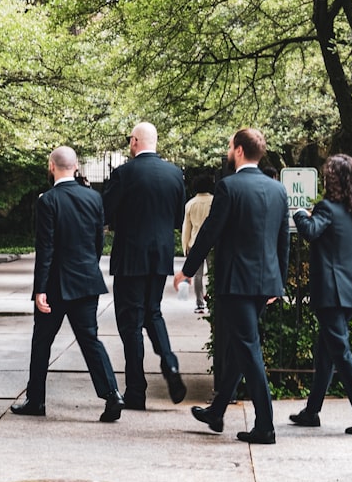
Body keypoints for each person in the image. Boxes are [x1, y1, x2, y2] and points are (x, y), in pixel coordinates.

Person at [176, 128, 289, 444]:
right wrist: (277, 283)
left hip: (237, 282)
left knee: (248, 349)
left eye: (230, 146)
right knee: (242, 348)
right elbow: (283, 241)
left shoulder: (229, 187)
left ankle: (265, 425)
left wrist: (186, 270)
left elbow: (210, 233)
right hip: (265, 281)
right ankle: (217, 411)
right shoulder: (278, 191)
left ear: (239, 150)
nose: (228, 151)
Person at [10, 146, 125, 422]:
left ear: (52, 166)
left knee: (42, 342)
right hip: (86, 281)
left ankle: (36, 400)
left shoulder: (47, 201)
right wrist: (87, 268)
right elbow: (98, 243)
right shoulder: (94, 199)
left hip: (56, 285)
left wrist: (40, 289)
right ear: (75, 167)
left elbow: (45, 248)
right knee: (90, 339)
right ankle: (112, 394)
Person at [290, 154, 352, 434]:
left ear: (334, 180)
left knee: (339, 352)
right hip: (351, 291)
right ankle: (312, 411)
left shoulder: (327, 208)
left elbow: (310, 232)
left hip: (330, 293)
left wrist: (299, 213)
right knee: (325, 353)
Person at [103, 121, 187, 409]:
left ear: (135, 141)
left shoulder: (124, 174)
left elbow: (105, 210)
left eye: (130, 139)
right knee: (153, 312)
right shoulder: (175, 174)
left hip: (130, 257)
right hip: (160, 255)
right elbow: (178, 219)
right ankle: (170, 364)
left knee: (130, 324)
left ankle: (136, 391)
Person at [180, 174, 214, 312]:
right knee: (213, 274)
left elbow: (186, 228)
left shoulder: (190, 204)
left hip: (195, 243)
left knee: (197, 275)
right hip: (212, 243)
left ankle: (199, 303)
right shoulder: (215, 201)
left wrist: (185, 246)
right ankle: (213, 301)